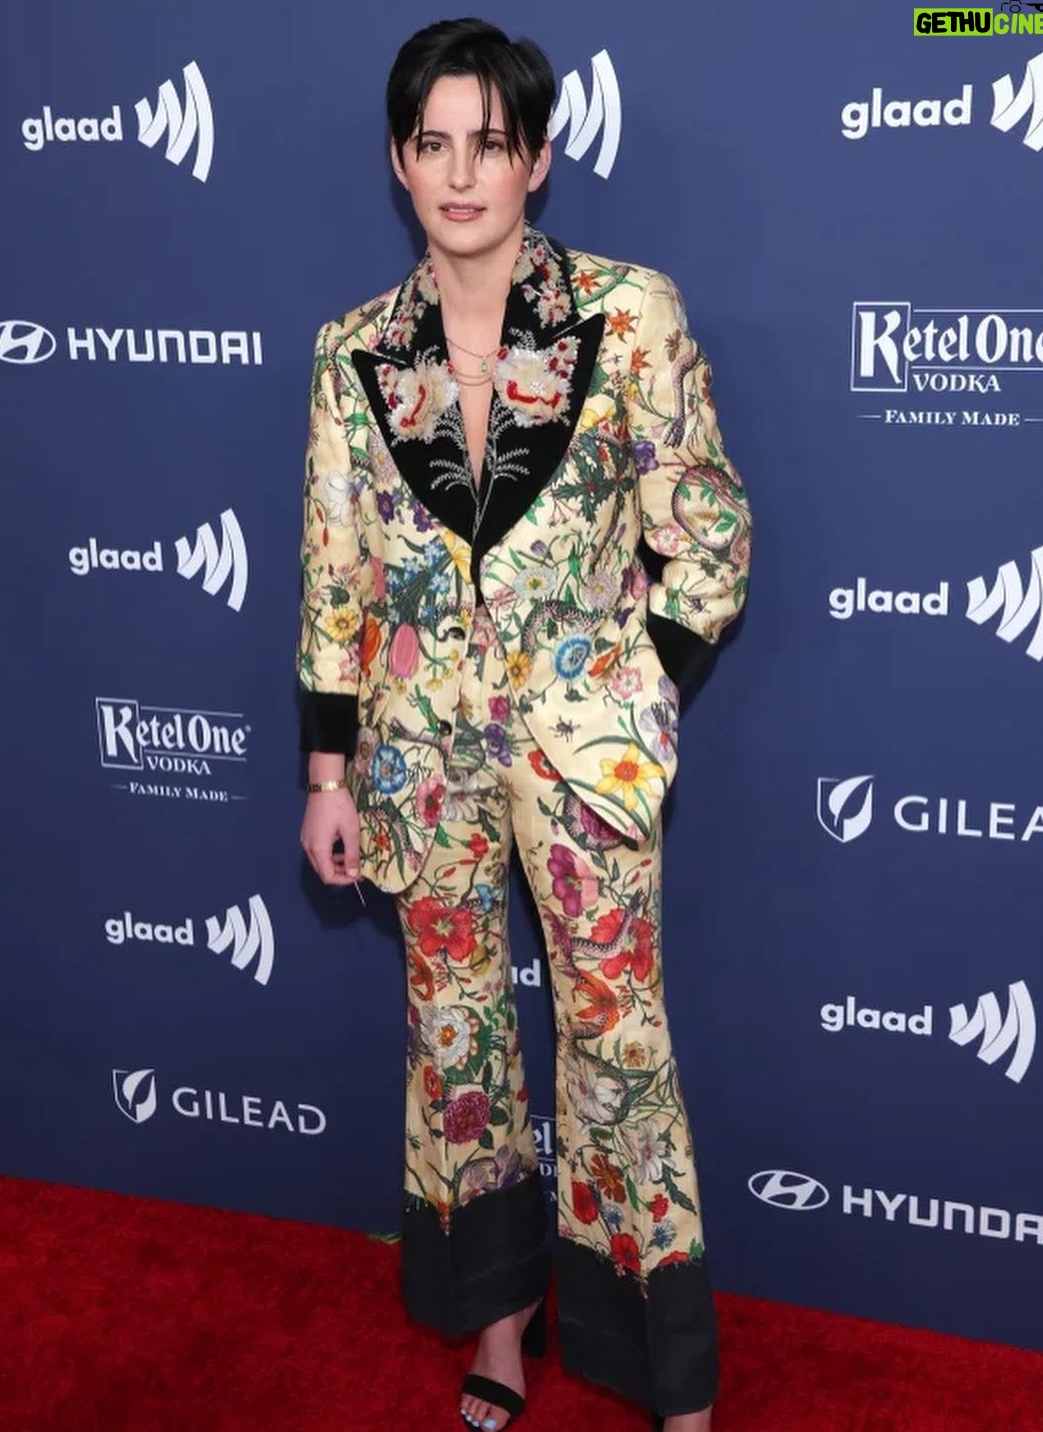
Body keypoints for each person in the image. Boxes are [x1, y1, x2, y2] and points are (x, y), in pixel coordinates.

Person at [297, 18, 751, 1431]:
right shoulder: (354, 353)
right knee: (454, 1041)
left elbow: (710, 537)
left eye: (486, 144)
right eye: (431, 143)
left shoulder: (628, 314)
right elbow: (336, 577)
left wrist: (630, 688)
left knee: (617, 1046)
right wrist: (327, 772)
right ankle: (496, 1331)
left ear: (536, 159)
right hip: (417, 759)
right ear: (397, 161)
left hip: (582, 752)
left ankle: (665, 1375)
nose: (458, 173)